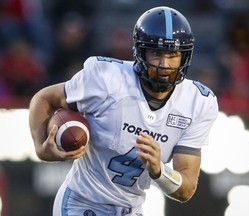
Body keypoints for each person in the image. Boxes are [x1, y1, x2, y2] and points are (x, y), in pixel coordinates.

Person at [29, 6, 218, 216]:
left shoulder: (198, 102)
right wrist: (40, 146)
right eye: (156, 53)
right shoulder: (107, 79)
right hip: (82, 205)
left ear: (185, 56)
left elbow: (186, 189)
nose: (164, 64)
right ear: (140, 51)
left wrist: (159, 171)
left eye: (172, 54)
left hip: (131, 211)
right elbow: (44, 98)